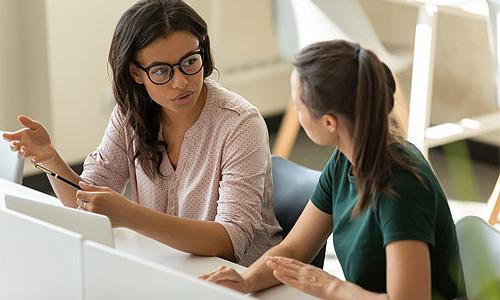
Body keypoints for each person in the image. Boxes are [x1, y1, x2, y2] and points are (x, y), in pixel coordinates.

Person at [2, 0, 281, 267]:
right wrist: (51, 159)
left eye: (190, 61)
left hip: (236, 279)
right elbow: (85, 204)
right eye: (161, 71)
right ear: (136, 73)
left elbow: (230, 240)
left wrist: (130, 215)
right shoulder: (130, 113)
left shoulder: (240, 123)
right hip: (164, 265)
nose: (181, 82)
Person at [201, 40, 466, 300]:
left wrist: (330, 287)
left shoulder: (401, 188)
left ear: (329, 122)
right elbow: (294, 249)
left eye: (298, 105)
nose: (295, 110)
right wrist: (247, 280)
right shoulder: (345, 160)